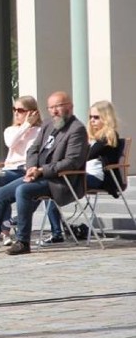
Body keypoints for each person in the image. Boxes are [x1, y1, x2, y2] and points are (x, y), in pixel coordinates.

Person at [0, 91, 88, 256]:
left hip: (60, 180)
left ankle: (23, 241)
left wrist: (41, 170)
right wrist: (31, 167)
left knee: (22, 190)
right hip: (37, 175)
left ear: (70, 107)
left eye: (58, 107)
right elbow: (33, 149)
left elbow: (72, 162)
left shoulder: (77, 129)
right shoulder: (48, 125)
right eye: (51, 107)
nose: (54, 111)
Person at [43, 99, 122, 244]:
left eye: (96, 117)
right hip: (81, 174)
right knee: (50, 185)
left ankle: (57, 232)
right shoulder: (89, 137)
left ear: (107, 118)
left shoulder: (109, 136)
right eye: (90, 117)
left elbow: (85, 156)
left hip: (96, 177)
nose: (92, 121)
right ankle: (57, 231)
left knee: (52, 186)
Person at [0, 96, 42, 243]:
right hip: (10, 170)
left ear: (32, 113)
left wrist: (30, 125)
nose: (16, 113)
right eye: (14, 110)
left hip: (27, 170)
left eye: (20, 110)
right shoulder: (10, 130)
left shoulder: (39, 132)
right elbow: (11, 143)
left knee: (1, 184)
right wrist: (25, 126)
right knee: (1, 182)